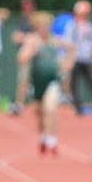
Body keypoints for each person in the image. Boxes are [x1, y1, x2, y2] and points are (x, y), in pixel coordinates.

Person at [17, 11, 74, 155]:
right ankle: (43, 135)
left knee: (51, 109)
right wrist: (31, 53)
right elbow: (21, 58)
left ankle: (52, 140)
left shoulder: (55, 40)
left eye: (47, 26)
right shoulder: (32, 40)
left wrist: (68, 64)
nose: (45, 29)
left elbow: (72, 49)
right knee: (40, 113)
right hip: (36, 81)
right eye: (42, 26)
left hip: (52, 80)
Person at [64, 0, 92, 115]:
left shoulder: (90, 26)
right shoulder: (72, 26)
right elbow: (68, 43)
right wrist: (69, 59)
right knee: (74, 84)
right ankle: (78, 107)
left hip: (87, 59)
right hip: (76, 59)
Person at [10, 0, 36, 114]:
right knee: (23, 80)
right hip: (25, 56)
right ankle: (19, 104)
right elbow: (15, 38)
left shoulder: (37, 21)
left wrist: (26, 38)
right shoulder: (22, 21)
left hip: (37, 56)